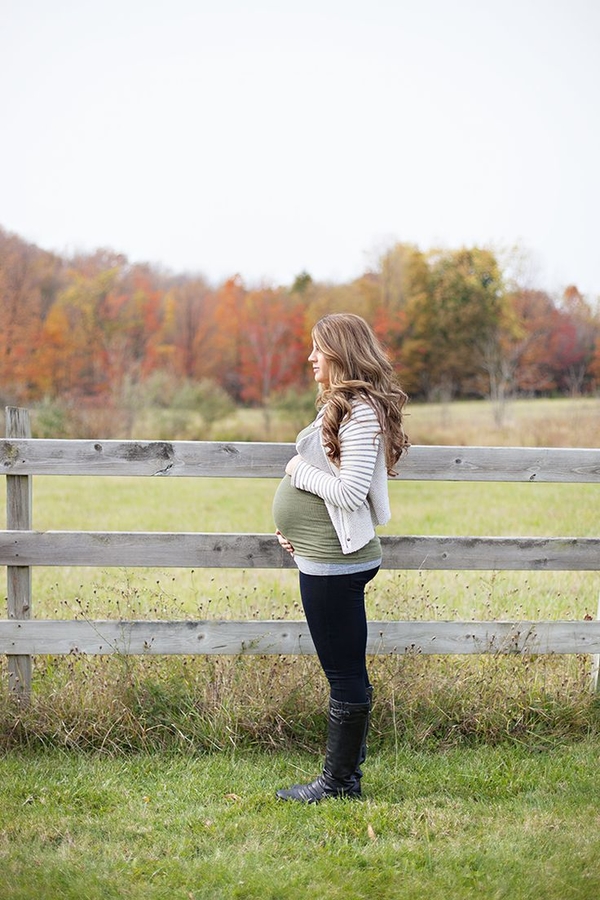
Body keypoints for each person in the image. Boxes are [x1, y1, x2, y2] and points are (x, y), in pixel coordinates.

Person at [272, 312, 409, 803]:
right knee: (345, 670)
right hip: (324, 557)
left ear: (342, 353)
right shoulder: (344, 405)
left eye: (318, 349)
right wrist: (297, 532)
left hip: (336, 565)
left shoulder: (361, 411)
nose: (310, 358)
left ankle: (338, 784)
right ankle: (342, 781)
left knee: (345, 675)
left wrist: (293, 471)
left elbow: (349, 493)